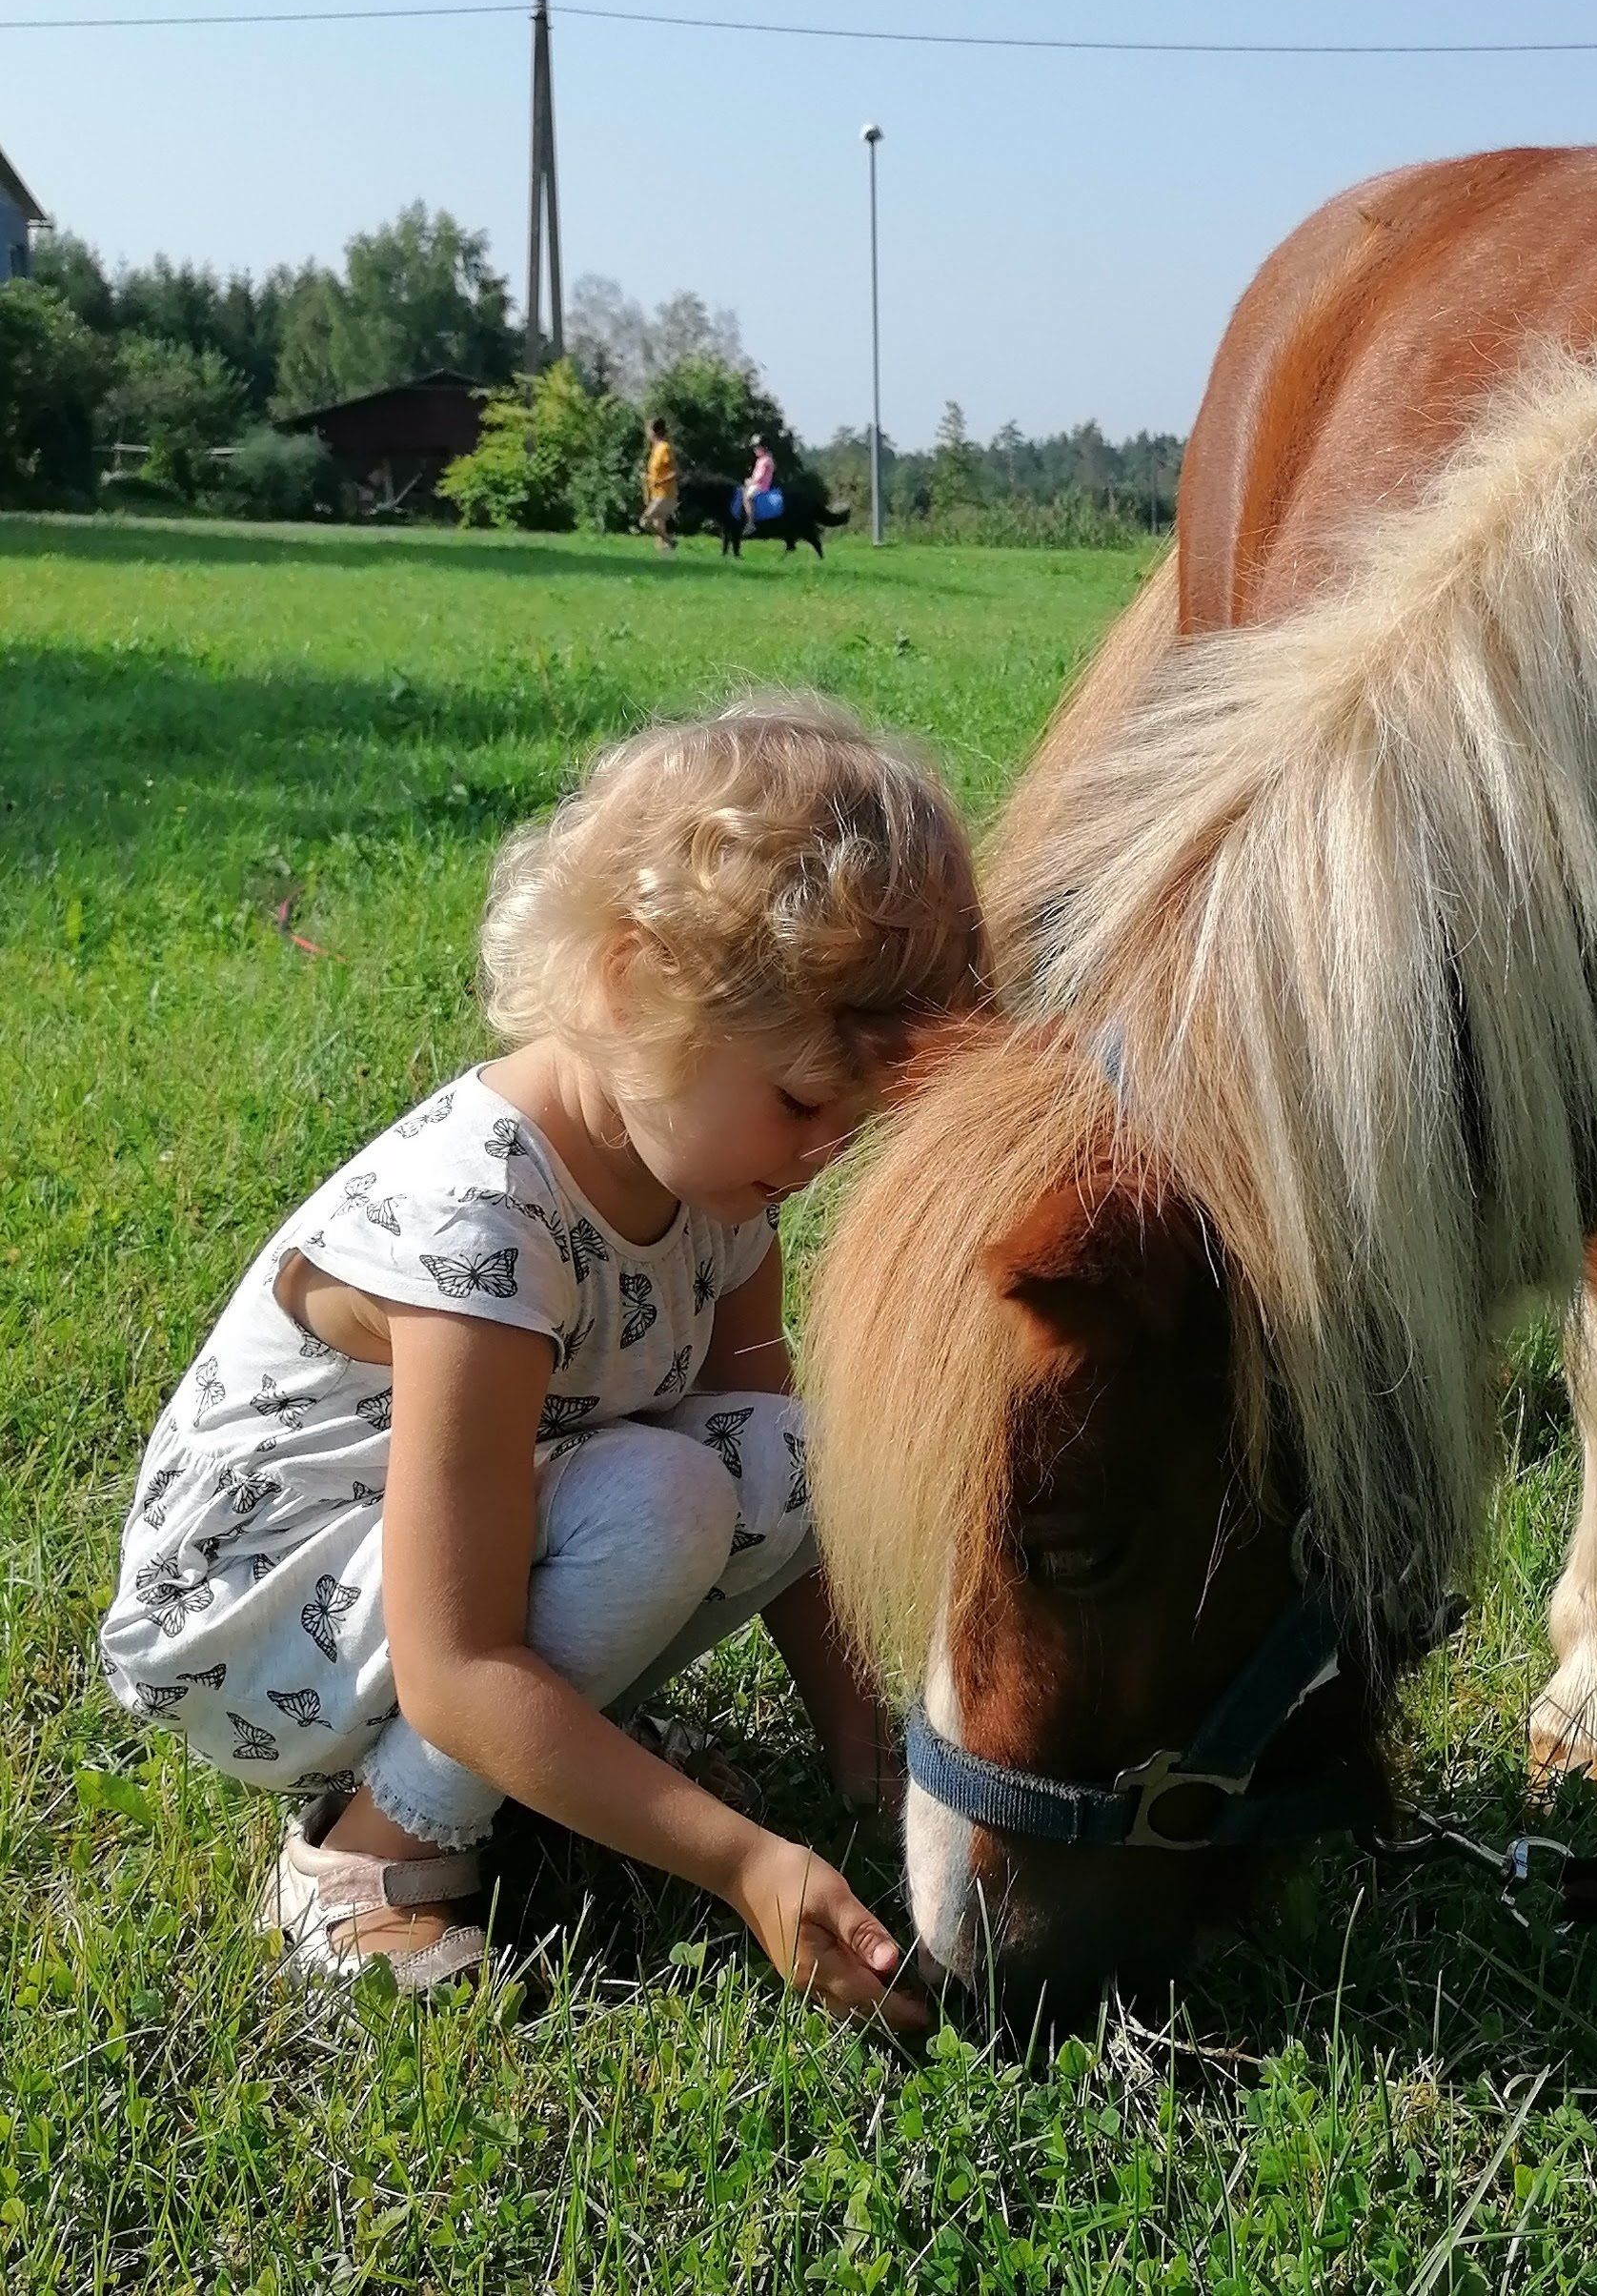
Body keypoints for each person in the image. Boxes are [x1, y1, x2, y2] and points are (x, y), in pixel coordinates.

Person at [98, 695, 984, 2022]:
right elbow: (457, 1660)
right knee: (667, 1501)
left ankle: (551, 1763)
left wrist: (866, 1760)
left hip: (435, 1569)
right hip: (255, 1613)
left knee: (793, 1458)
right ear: (633, 981)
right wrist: (740, 1861)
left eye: (850, 1122)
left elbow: (789, 1496)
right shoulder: (484, 1223)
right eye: (804, 1100)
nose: (820, 1155)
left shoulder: (719, 1184)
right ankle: (367, 1855)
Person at [640, 417, 678, 555]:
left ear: (654, 431)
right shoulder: (655, 449)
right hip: (656, 494)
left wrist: (659, 482)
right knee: (658, 526)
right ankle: (664, 557)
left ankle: (671, 542)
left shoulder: (664, 448)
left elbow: (675, 472)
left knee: (645, 522)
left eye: (648, 430)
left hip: (666, 494)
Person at [742, 436, 782, 530]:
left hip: (761, 486)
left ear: (764, 448)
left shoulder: (766, 461)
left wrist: (750, 481)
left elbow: (759, 477)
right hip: (757, 485)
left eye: (757, 447)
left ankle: (750, 523)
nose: (755, 450)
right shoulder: (761, 460)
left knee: (747, 498)